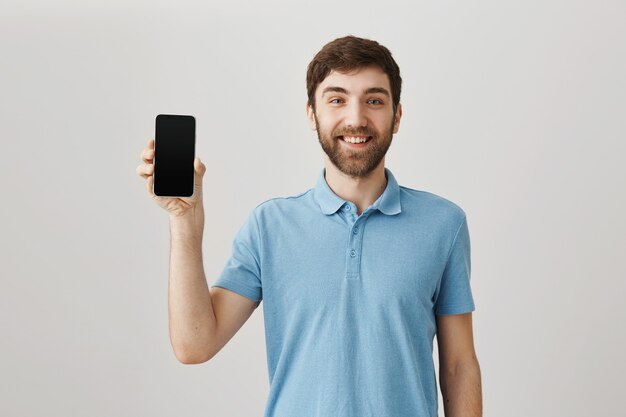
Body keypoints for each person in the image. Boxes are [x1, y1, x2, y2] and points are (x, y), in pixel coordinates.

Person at [137, 35, 482, 417]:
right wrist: (184, 221)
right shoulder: (269, 226)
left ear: (397, 115)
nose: (355, 118)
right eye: (337, 99)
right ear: (311, 115)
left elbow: (458, 366)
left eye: (374, 100)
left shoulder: (443, 224)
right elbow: (194, 344)